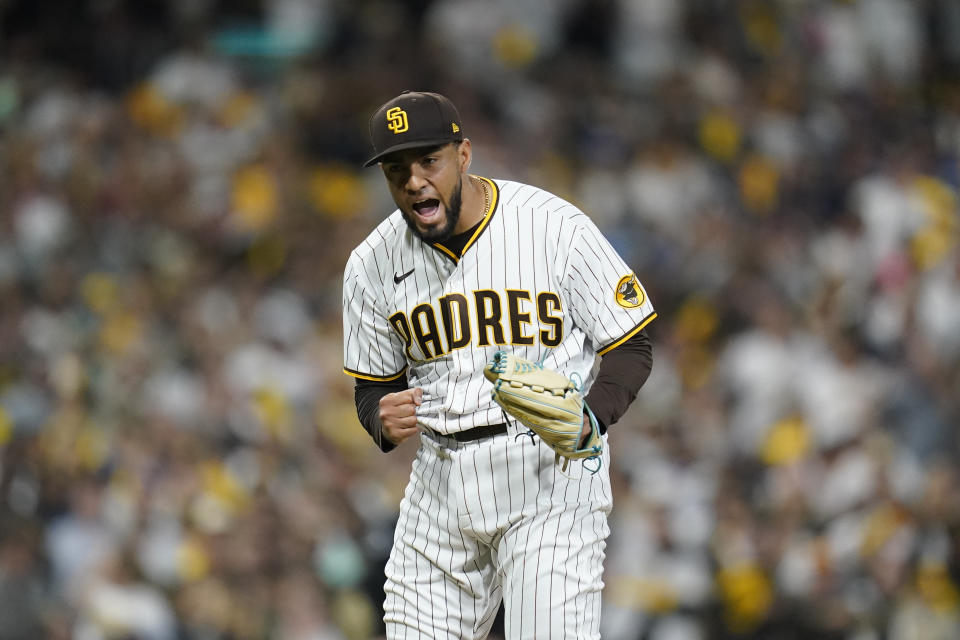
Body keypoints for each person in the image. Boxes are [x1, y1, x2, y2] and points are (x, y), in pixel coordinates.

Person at [342, 90, 656, 639]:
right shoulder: (370, 265)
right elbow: (373, 389)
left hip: (549, 471)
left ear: (463, 155)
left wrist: (592, 419)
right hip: (440, 480)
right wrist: (377, 418)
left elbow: (631, 344)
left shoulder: (552, 226)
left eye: (428, 161)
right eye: (397, 170)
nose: (415, 181)